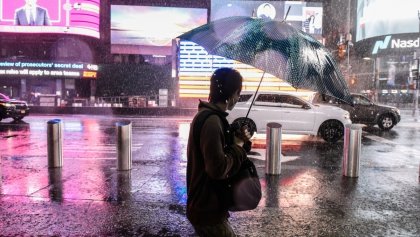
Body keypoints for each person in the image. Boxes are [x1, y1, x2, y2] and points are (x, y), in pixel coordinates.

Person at [186, 68, 251, 237]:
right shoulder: (212, 121)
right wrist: (237, 147)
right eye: (238, 93)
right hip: (207, 209)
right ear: (232, 94)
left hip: (207, 204)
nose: (238, 98)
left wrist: (239, 141)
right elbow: (217, 169)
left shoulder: (208, 116)